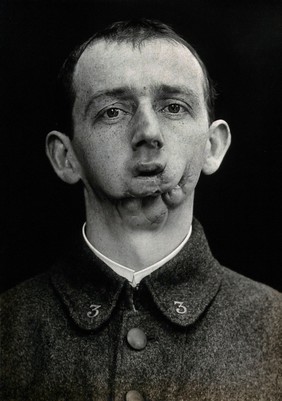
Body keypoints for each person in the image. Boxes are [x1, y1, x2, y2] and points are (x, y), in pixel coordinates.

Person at [0, 19, 281, 401]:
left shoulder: (275, 325)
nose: (148, 131)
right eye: (113, 111)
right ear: (66, 157)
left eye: (174, 107)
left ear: (213, 146)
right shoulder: (8, 326)